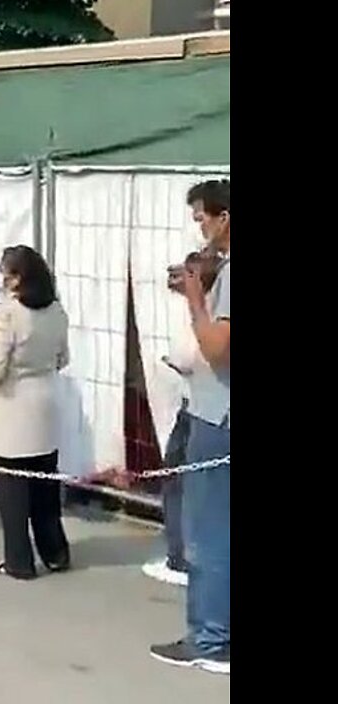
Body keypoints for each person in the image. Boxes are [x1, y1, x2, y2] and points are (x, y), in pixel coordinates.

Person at [149, 179, 230, 675]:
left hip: (218, 415)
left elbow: (217, 347)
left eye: (202, 217)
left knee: (208, 531)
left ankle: (211, 637)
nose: (199, 227)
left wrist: (196, 298)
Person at [0, 245, 71, 580]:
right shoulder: (56, 311)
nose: (2, 280)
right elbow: (62, 358)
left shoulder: (7, 315)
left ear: (19, 278)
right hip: (45, 401)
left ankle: (19, 560)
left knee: (12, 489)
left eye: (6, 273)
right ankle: (55, 553)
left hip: (11, 405)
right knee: (44, 485)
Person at [143, 249, 224, 587]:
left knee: (179, 481)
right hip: (201, 406)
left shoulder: (206, 314)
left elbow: (198, 356)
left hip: (203, 409)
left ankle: (182, 556)